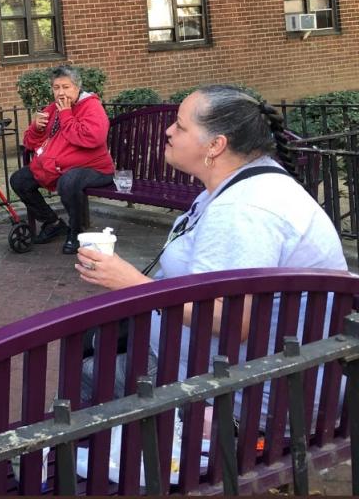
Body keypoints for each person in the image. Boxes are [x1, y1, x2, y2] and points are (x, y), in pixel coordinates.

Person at [75, 84, 347, 406]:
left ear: (215, 145)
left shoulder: (242, 212)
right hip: (231, 368)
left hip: (239, 392)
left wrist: (131, 282)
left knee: (79, 382)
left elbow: (230, 322)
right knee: (90, 354)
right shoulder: (241, 186)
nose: (168, 131)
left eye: (180, 125)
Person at [10, 66, 115, 254]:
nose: (61, 92)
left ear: (77, 87)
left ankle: (76, 232)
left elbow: (91, 138)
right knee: (20, 180)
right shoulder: (52, 109)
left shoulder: (91, 107)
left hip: (95, 169)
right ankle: (53, 223)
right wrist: (37, 128)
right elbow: (30, 143)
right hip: (57, 166)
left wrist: (66, 114)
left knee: (69, 182)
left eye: (66, 87)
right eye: (56, 88)